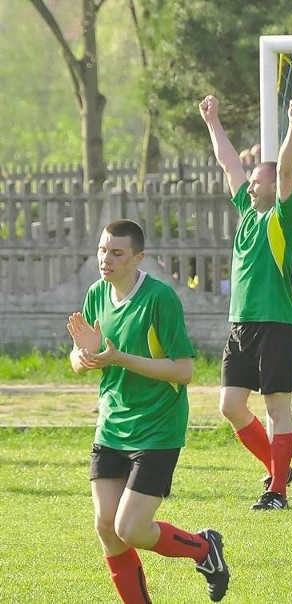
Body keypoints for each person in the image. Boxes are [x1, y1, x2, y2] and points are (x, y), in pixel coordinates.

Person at [66, 219, 229, 603]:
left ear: (138, 258)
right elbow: (79, 357)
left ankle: (205, 549)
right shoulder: (97, 295)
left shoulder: (160, 299)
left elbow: (184, 370)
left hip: (158, 426)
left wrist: (119, 358)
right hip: (111, 426)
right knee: (106, 525)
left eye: (117, 252)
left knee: (131, 527)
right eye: (103, 249)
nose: (106, 259)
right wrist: (83, 358)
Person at [199, 94, 292, 510]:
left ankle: (277, 491)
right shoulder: (246, 210)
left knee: (277, 408)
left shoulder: (283, 217)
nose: (251, 182)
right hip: (241, 324)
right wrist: (213, 121)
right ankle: (279, 467)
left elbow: (289, 169)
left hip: (276, 323)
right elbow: (227, 162)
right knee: (230, 405)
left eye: (258, 178)